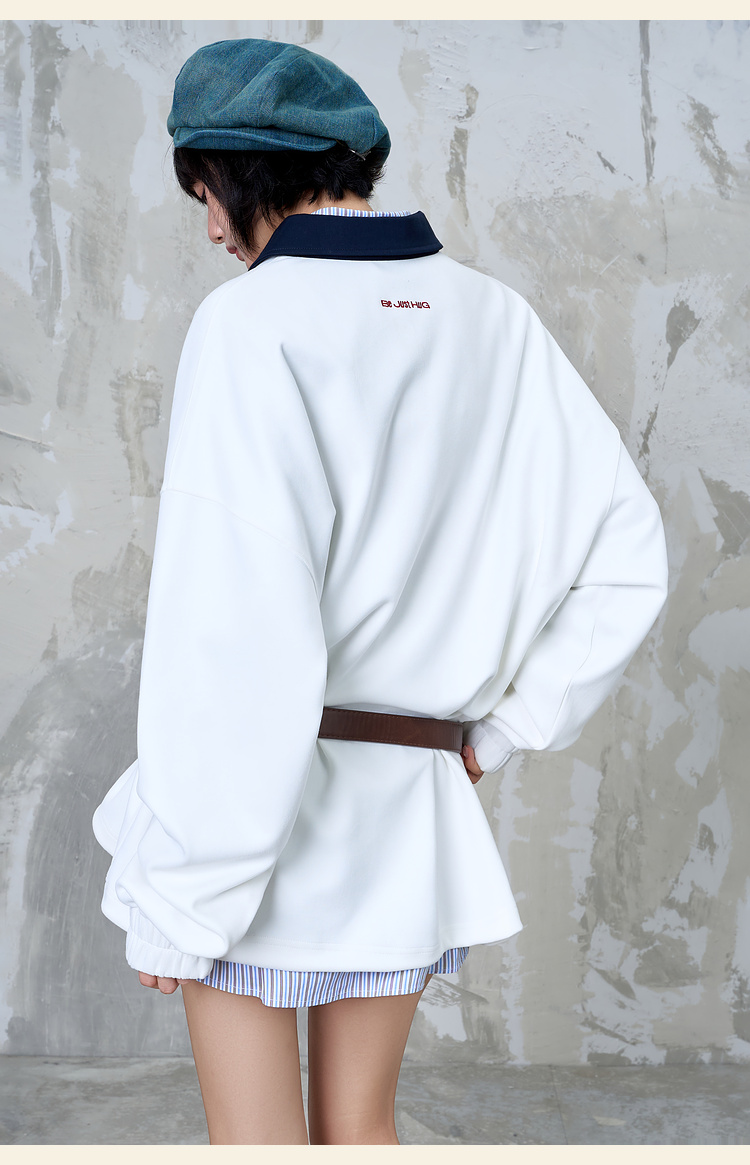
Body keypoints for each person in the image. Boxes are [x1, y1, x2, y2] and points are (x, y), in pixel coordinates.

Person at [91, 38, 669, 1146]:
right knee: (363, 1129)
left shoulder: (249, 324)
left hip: (259, 837)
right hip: (409, 818)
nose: (209, 229)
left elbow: (235, 634)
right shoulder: (495, 318)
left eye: (203, 193)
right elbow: (629, 550)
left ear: (240, 174)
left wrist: (181, 898)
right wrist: (500, 729)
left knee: (257, 1145)